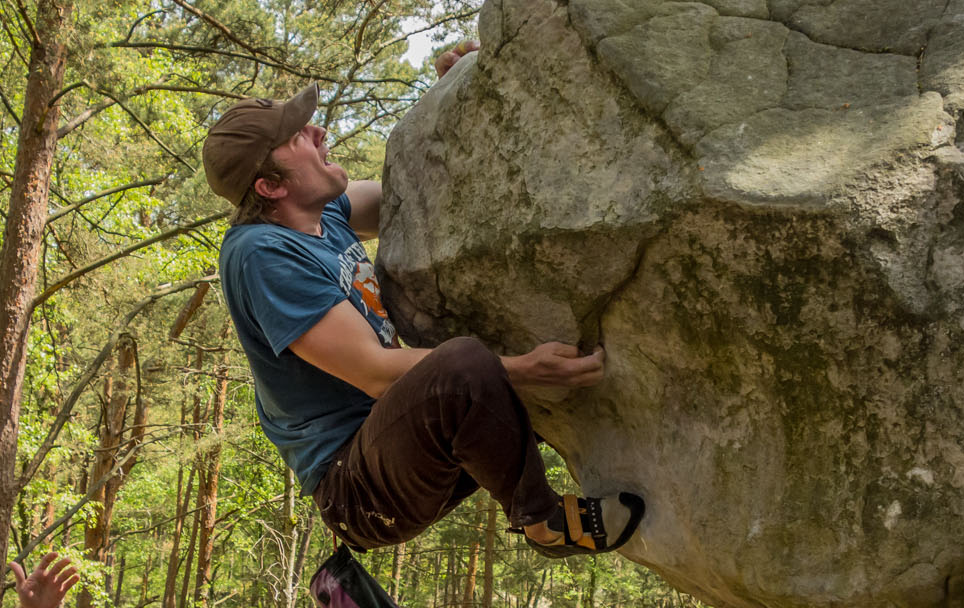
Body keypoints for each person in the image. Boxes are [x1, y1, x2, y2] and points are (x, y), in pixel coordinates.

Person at [204, 65, 644, 557]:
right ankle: (543, 521)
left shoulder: (322, 213)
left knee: (477, 356)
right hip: (359, 489)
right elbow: (376, 374)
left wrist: (462, 91)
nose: (319, 131)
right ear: (270, 186)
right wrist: (522, 371)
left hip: (414, 441)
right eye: (297, 135)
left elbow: (414, 192)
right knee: (465, 362)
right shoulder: (262, 253)